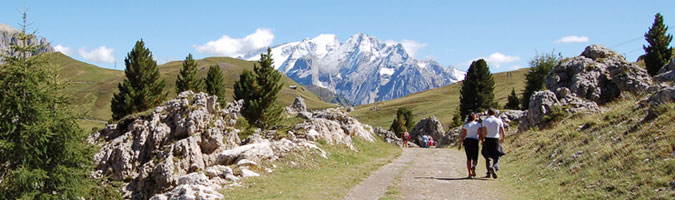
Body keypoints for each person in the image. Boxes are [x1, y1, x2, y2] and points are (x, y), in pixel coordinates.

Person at [481, 108, 506, 179]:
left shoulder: (485, 121)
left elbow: (484, 132)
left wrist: (483, 139)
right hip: (496, 139)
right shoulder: (498, 121)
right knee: (497, 154)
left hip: (488, 139)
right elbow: (502, 131)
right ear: (495, 113)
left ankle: (488, 171)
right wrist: (503, 138)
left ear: (488, 113)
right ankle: (495, 167)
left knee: (487, 155)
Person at [459, 113, 481, 178]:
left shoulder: (466, 125)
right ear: (474, 117)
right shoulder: (478, 125)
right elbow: (479, 134)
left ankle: (469, 173)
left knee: (468, 158)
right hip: (475, 141)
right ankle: (474, 166)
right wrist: (482, 140)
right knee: (475, 157)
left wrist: (460, 144)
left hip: (467, 141)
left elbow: (463, 135)